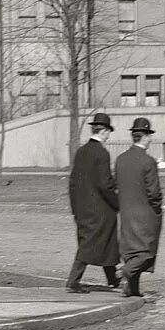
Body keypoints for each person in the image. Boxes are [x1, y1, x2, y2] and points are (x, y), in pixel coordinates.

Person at [65, 112, 120, 292]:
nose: (109, 135)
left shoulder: (81, 151)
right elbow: (105, 184)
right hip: (100, 209)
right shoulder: (101, 153)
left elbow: (73, 182)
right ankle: (73, 281)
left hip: (82, 207)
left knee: (106, 242)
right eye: (108, 131)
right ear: (103, 131)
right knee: (92, 243)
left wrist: (75, 208)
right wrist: (117, 203)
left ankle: (113, 280)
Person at [114, 116, 163, 300]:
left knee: (131, 251)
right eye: (149, 135)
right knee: (145, 252)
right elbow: (154, 192)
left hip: (126, 213)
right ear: (144, 136)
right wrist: (157, 208)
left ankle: (132, 290)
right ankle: (125, 272)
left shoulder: (120, 159)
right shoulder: (148, 161)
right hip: (145, 214)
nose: (150, 139)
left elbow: (116, 184)